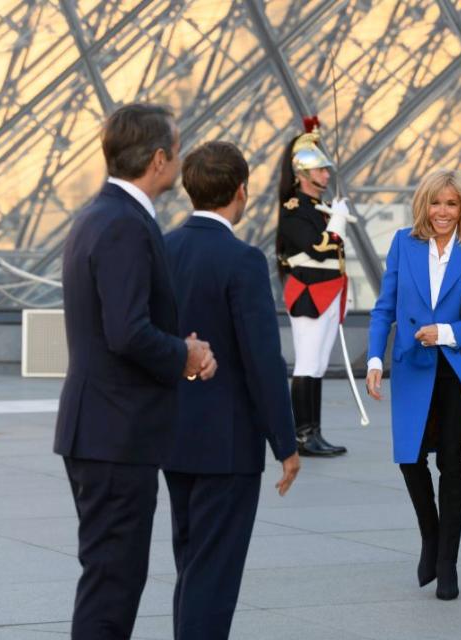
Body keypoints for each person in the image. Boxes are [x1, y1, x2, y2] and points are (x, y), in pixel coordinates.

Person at [54, 103, 217, 639]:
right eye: (176, 147)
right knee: (113, 584)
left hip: (102, 430)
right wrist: (185, 356)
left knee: (109, 578)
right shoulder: (125, 224)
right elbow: (126, 332)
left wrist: (173, 347)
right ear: (158, 159)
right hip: (115, 436)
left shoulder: (100, 215)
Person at [163, 141, 301, 639]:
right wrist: (285, 443)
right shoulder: (242, 260)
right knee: (214, 575)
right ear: (241, 191)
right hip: (228, 445)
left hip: (173, 436)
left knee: (191, 562)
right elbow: (263, 360)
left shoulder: (164, 248)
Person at [365, 168, 461, 601]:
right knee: (409, 459)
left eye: (451, 203)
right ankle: (432, 536)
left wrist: (445, 332)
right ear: (423, 204)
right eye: (436, 202)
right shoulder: (403, 243)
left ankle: (448, 564)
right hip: (413, 366)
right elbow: (384, 307)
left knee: (451, 462)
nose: (442, 211)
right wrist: (374, 358)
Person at [276, 116, 351, 456]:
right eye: (320, 170)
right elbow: (319, 247)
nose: (325, 175)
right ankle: (301, 435)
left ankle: (313, 432)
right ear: (303, 174)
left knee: (318, 364)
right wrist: (337, 220)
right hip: (308, 294)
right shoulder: (295, 209)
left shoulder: (316, 208)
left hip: (326, 292)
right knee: (307, 363)